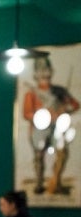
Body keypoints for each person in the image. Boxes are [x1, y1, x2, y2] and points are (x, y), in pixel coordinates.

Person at [22, 56, 80, 194]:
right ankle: (39, 182)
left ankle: (56, 181)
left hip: (58, 128)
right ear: (36, 74)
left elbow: (75, 105)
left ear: (51, 71)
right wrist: (43, 115)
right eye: (40, 70)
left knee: (62, 153)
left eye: (46, 69)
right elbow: (27, 113)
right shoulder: (31, 93)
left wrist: (65, 109)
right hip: (40, 129)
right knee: (39, 156)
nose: (43, 73)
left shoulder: (60, 91)